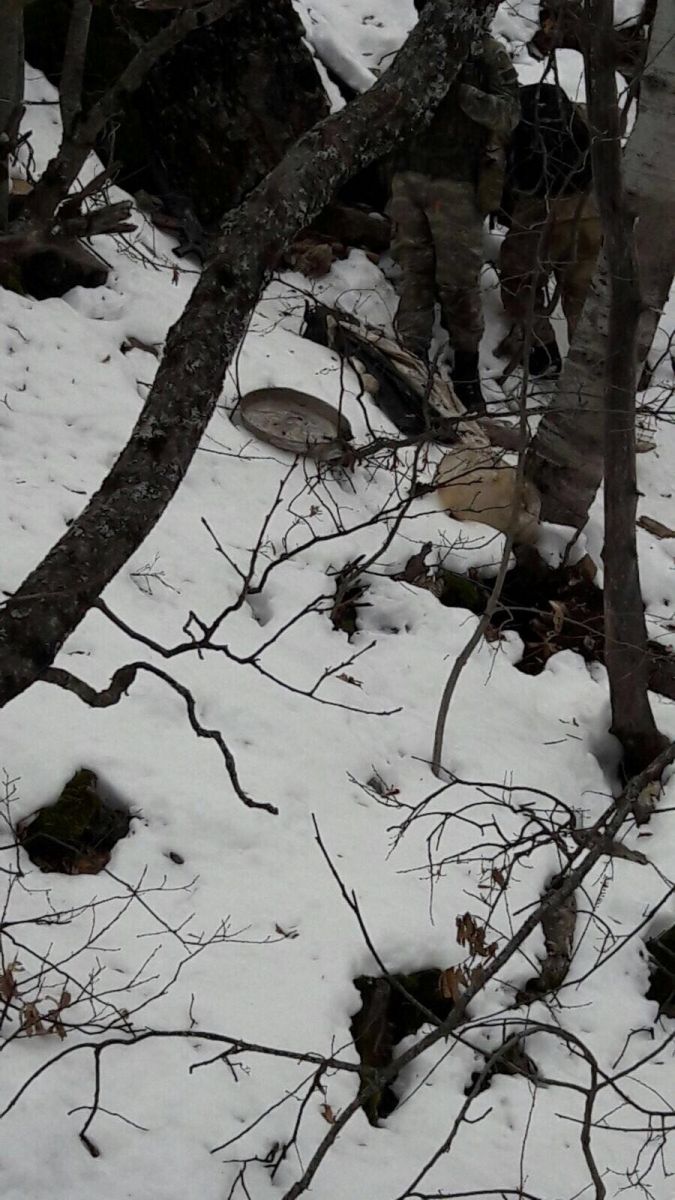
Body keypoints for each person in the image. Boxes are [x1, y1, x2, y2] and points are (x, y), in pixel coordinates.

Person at [390, 0, 520, 413]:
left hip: (459, 185)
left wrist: (464, 95)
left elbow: (510, 114)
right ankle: (408, 364)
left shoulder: (487, 52)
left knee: (458, 282)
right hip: (410, 176)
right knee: (414, 272)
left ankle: (466, 374)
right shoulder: (419, 45)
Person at [498, 81, 602, 377]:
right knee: (583, 292)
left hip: (539, 212)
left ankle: (542, 352)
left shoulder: (515, 116)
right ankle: (594, 370)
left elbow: (498, 165)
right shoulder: (577, 114)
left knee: (521, 282)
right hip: (588, 211)